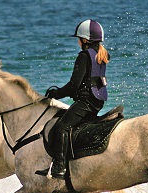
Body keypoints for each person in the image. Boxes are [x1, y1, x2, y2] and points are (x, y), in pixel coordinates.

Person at [39, 19, 110, 179]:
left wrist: (55, 93)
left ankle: (59, 167)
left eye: (79, 39)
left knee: (62, 127)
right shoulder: (101, 54)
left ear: (85, 40)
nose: (78, 42)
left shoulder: (84, 56)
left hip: (86, 102)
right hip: (98, 102)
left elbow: (74, 85)